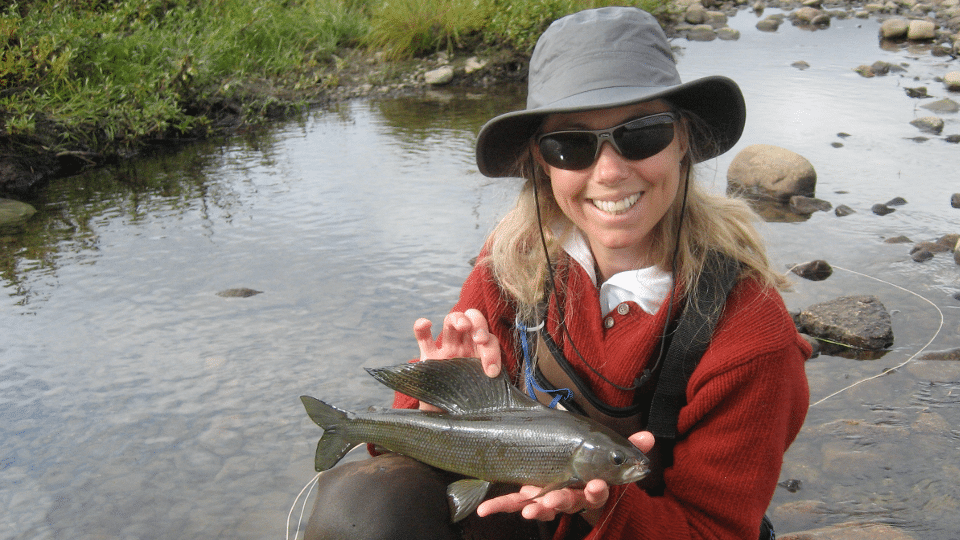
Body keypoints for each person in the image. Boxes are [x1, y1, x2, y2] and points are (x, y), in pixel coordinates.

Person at [304, 7, 810, 540]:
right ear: (542, 163)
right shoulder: (513, 261)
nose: (610, 173)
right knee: (361, 505)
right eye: (571, 144)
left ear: (683, 140)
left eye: (642, 133)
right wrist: (434, 398)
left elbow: (713, 533)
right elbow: (412, 448)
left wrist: (597, 506)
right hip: (521, 513)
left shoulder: (750, 338)